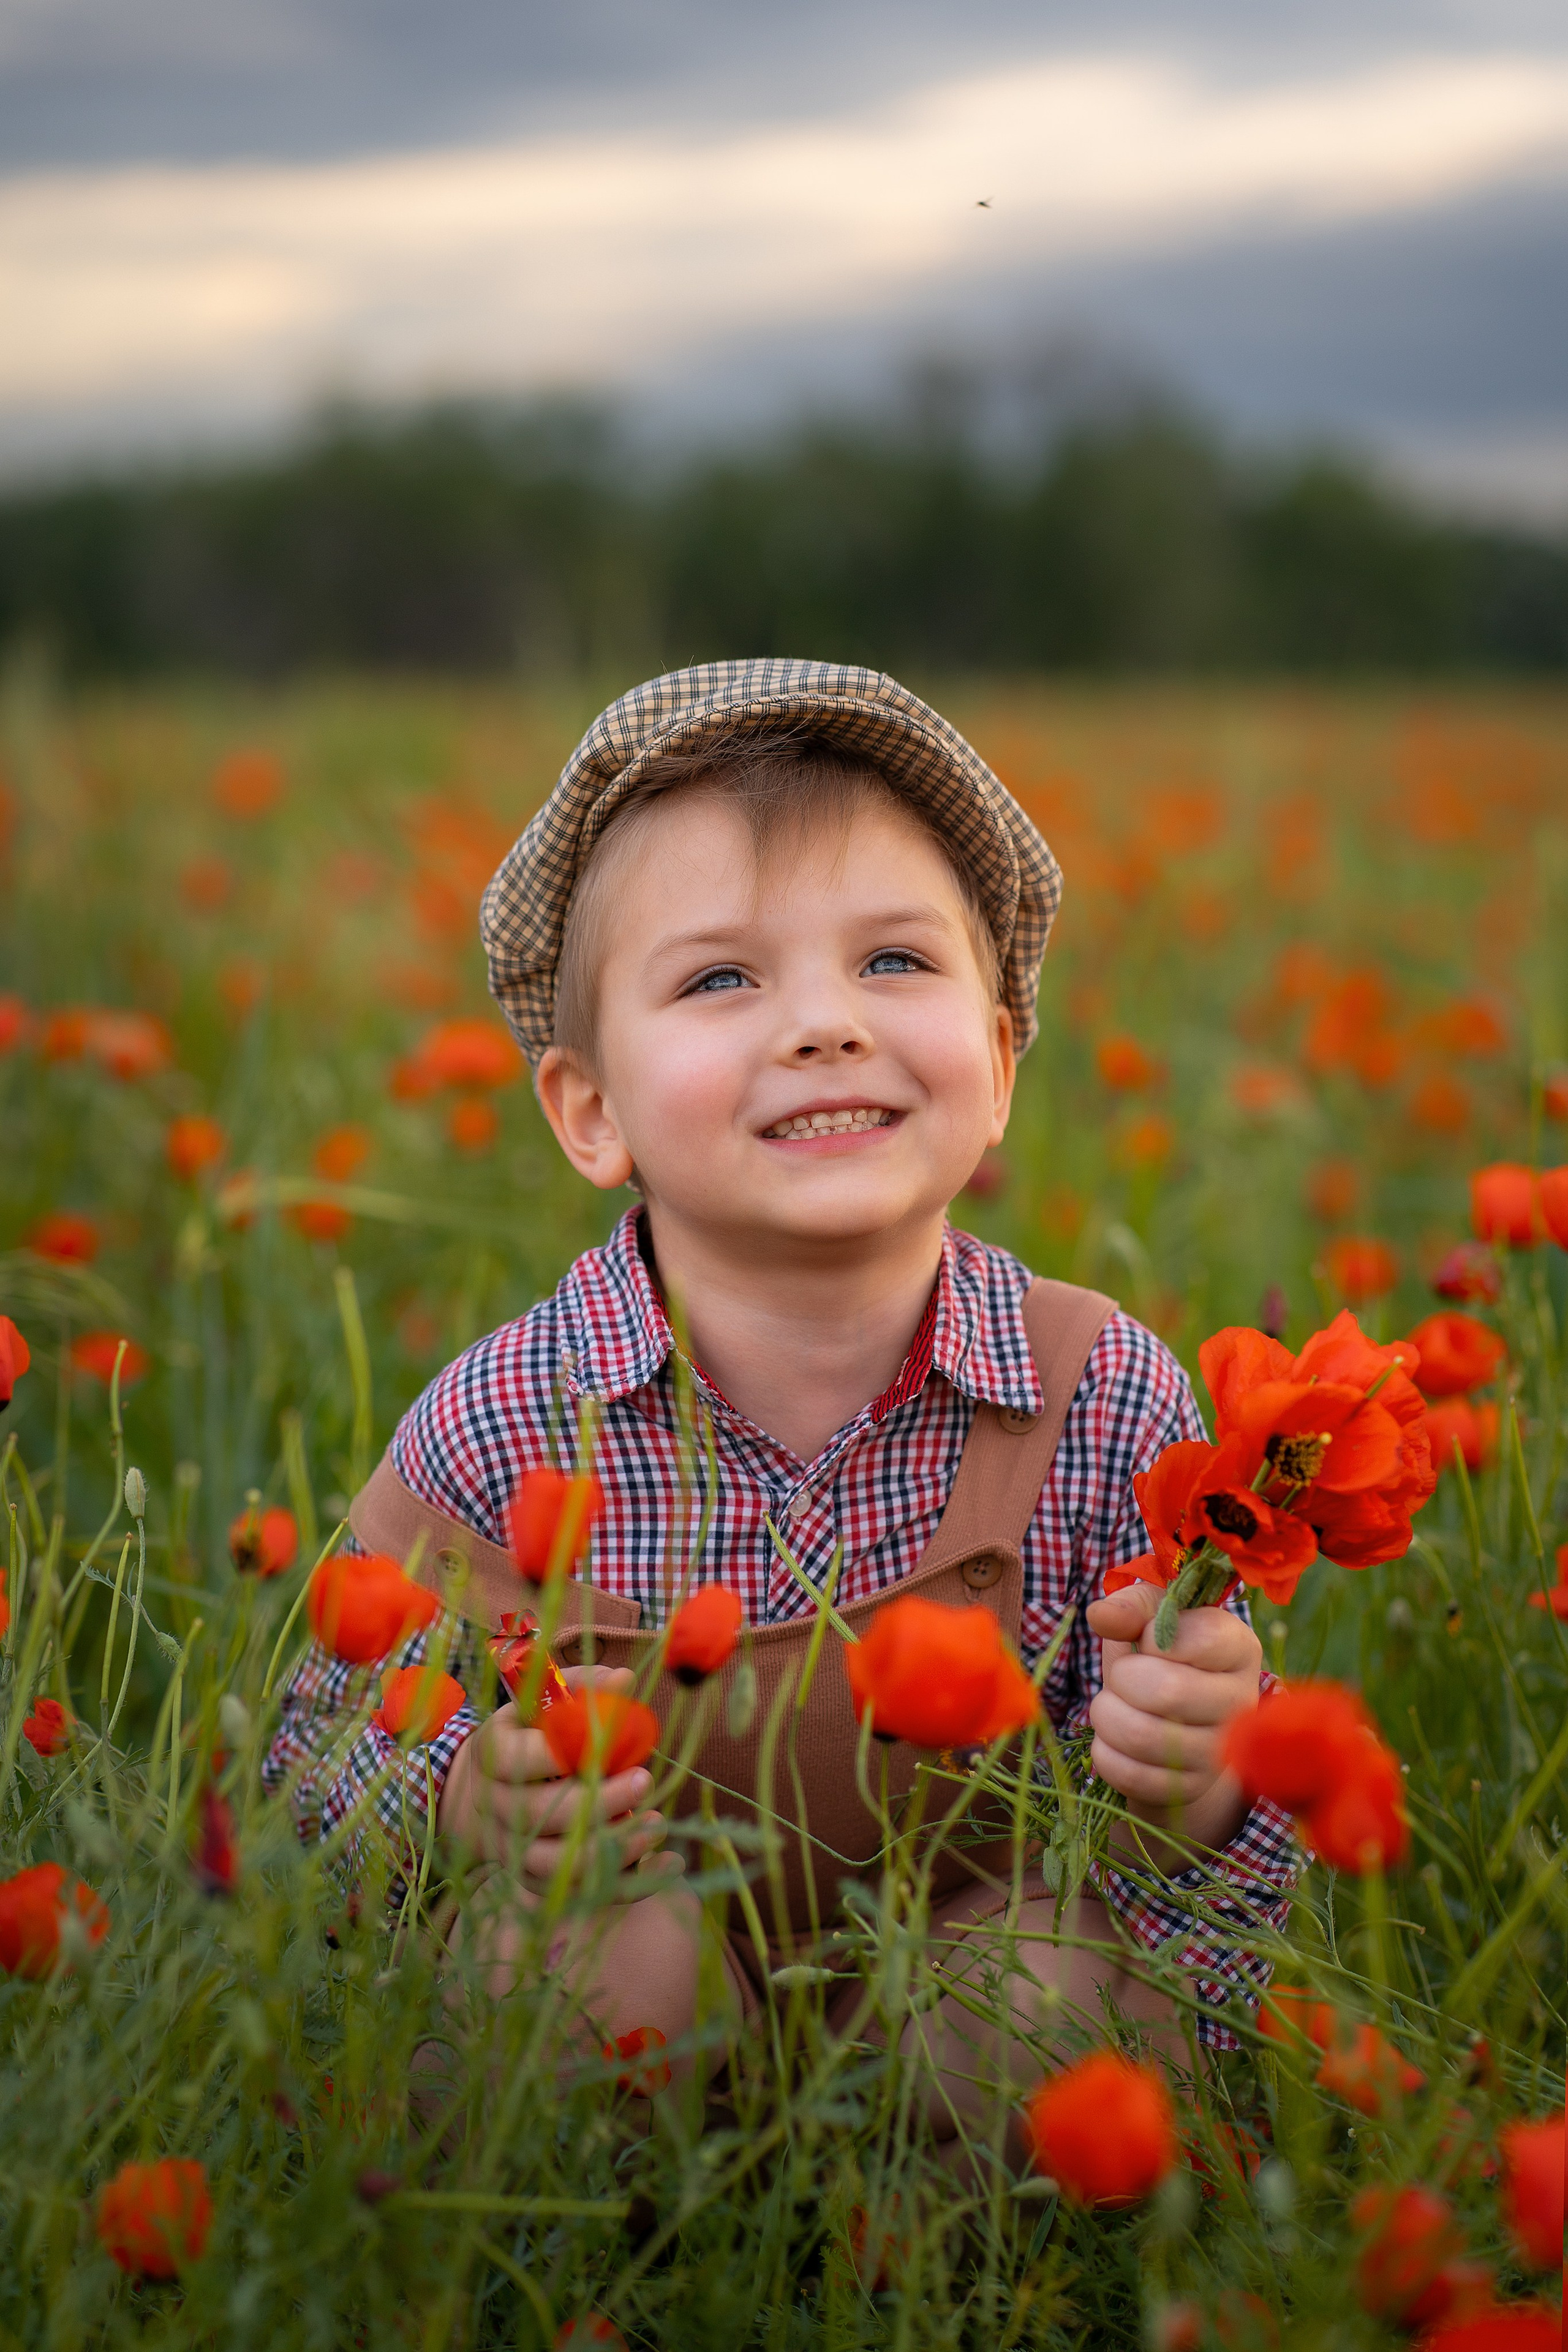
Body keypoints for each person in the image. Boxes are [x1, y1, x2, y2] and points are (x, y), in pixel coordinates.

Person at [265, 659, 1294, 2164]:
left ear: (999, 1061)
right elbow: (307, 1768)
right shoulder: (506, 1422)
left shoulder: (1100, 1397)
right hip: (628, 2016)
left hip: (964, 2020)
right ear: (590, 1111)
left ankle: (960, 2262)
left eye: (892, 961)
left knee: (1046, 1983)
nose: (822, 1023)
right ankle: (602, 2263)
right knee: (587, 1960)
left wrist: (1199, 1767)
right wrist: (459, 1800)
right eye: (719, 980)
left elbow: (1197, 1867)